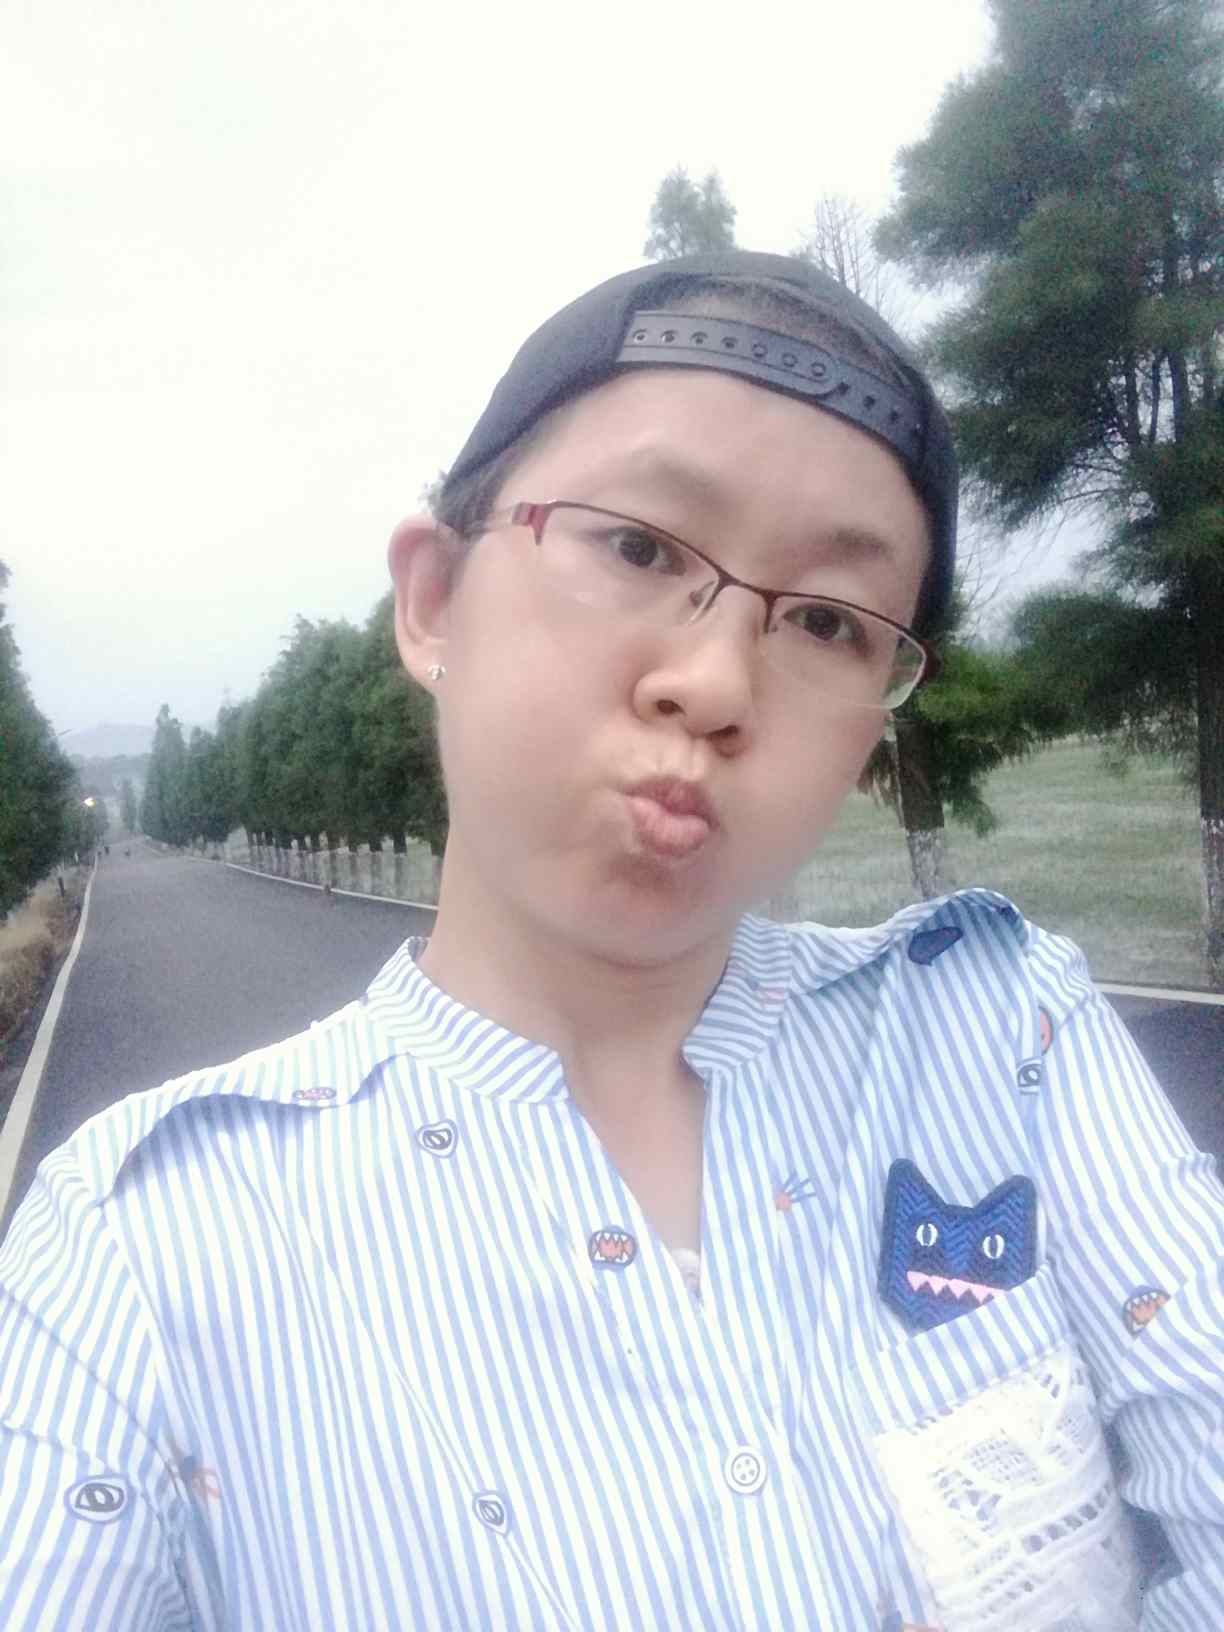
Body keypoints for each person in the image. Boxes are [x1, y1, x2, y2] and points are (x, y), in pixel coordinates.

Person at [0, 251, 1220, 1630]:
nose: (714, 684)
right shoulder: (139, 1253)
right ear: (434, 600)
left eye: (829, 621)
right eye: (639, 548)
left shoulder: (1003, 1036)